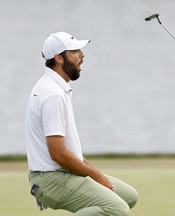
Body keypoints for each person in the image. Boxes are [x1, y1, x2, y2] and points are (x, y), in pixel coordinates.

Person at [25, 32, 138, 216]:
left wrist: (94, 173)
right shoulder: (52, 94)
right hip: (52, 179)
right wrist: (98, 177)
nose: (83, 55)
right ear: (59, 58)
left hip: (59, 174)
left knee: (128, 196)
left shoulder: (54, 87)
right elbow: (58, 154)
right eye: (75, 51)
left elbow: (69, 150)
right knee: (116, 208)